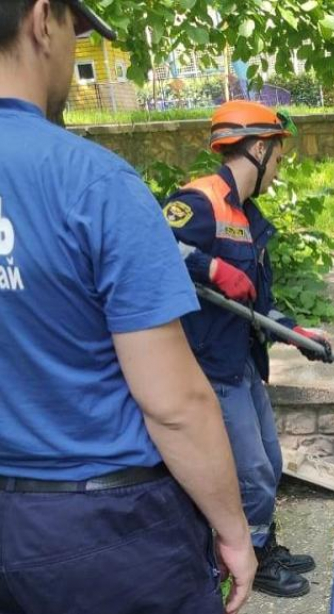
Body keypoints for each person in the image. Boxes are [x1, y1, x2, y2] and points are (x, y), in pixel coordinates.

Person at [0, 2, 256, 614]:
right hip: (106, 532)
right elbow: (172, 405)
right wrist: (235, 532)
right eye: (75, 30)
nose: (72, 50)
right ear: (42, 21)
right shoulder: (93, 184)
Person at [162, 99, 333, 599]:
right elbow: (151, 245)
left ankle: (262, 545)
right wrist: (210, 268)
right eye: (277, 159)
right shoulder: (198, 202)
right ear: (258, 149)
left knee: (270, 462)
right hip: (209, 367)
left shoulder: (250, 219)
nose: (277, 173)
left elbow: (260, 305)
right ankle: (248, 562)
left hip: (241, 364)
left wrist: (297, 334)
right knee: (253, 473)